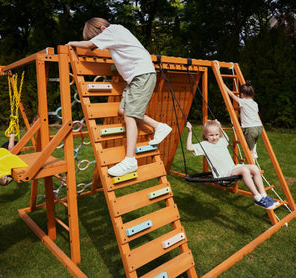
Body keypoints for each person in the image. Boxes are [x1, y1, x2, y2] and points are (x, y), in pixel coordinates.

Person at [67, 17, 172, 177]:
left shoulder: (113, 30)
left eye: (96, 38)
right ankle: (159, 126)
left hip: (142, 76)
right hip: (137, 78)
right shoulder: (117, 33)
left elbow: (88, 45)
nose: (96, 42)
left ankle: (130, 160)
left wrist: (70, 44)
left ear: (102, 29)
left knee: (130, 115)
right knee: (124, 110)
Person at [186, 120, 278, 210]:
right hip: (223, 175)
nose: (214, 137)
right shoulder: (204, 145)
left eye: (216, 134)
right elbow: (189, 148)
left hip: (233, 169)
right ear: (205, 135)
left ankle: (263, 195)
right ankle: (257, 198)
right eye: (211, 135)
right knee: (244, 170)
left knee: (254, 168)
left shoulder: (221, 141)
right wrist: (190, 131)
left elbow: (226, 137)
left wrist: (220, 127)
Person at [225, 81, 262, 159]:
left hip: (250, 129)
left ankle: (252, 162)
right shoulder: (255, 103)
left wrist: (223, 85)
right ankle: (254, 153)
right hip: (259, 127)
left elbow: (231, 95)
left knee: (249, 150)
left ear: (241, 94)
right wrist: (236, 108)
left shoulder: (243, 101)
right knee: (252, 143)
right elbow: (246, 109)